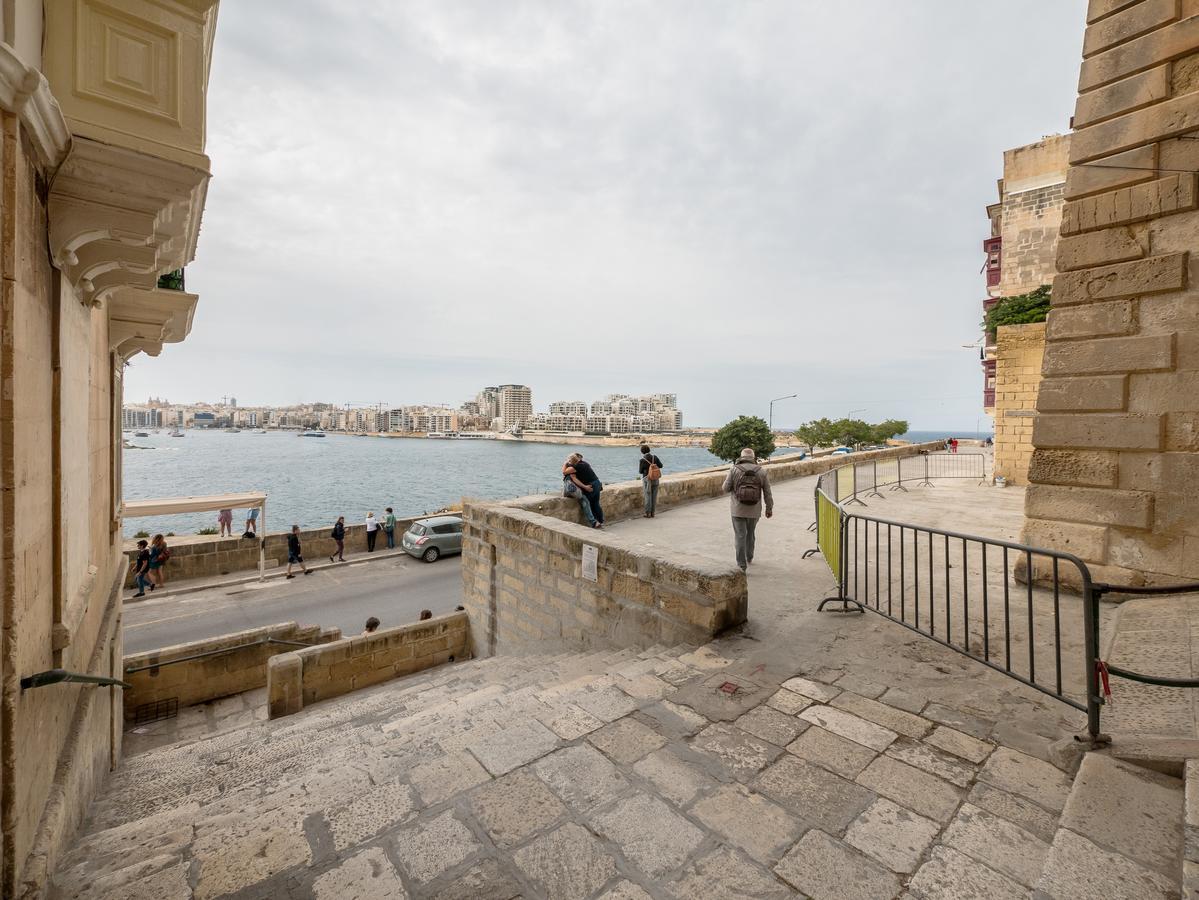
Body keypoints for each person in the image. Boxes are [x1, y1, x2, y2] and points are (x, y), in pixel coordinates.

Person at [722, 448, 774, 572]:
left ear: (741, 457)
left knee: (740, 536)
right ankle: (749, 557)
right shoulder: (761, 471)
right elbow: (768, 492)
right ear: (753, 457)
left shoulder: (734, 469)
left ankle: (741, 565)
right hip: (755, 510)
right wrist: (769, 508)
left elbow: (725, 488)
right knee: (750, 534)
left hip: (737, 510)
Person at [563, 452, 604, 528]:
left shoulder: (576, 467)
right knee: (595, 503)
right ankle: (601, 521)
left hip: (591, 485)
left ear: (572, 462)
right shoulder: (585, 463)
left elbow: (564, 472)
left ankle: (594, 522)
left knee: (585, 501)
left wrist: (565, 463)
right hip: (597, 483)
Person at [638, 444, 664, 518]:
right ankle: (653, 513)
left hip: (647, 479)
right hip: (655, 478)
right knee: (654, 496)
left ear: (642, 452)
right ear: (649, 450)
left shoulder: (642, 460)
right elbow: (661, 466)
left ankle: (647, 513)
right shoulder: (654, 457)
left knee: (648, 496)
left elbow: (640, 471)